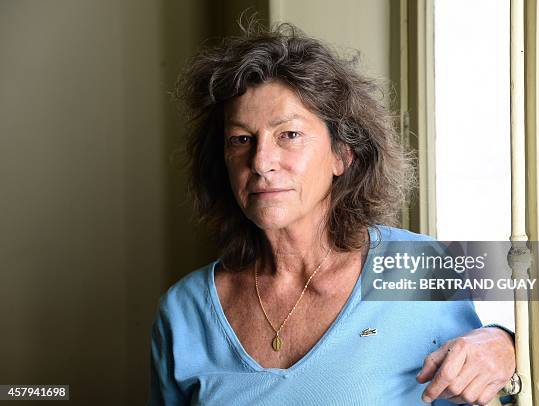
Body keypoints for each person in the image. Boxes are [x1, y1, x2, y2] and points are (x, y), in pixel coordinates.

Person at [148, 22, 516, 405]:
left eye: (289, 135)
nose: (261, 161)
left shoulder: (421, 268)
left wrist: (508, 343)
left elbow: (495, 371)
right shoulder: (183, 311)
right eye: (241, 139)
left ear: (343, 154)